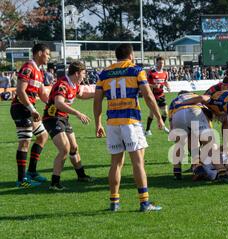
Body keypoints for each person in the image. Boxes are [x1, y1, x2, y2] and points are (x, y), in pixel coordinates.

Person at [94, 44, 165, 212]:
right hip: (131, 121)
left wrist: (97, 123)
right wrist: (158, 117)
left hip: (112, 123)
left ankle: (114, 203)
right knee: (138, 162)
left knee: (115, 163)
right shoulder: (136, 70)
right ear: (131, 55)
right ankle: (144, 202)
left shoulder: (104, 73)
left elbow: (97, 101)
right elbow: (148, 95)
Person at [180, 90, 228, 182]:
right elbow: (225, 125)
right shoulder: (221, 106)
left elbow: (202, 98)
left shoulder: (209, 102)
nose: (216, 120)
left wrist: (181, 104)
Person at [42, 61, 95, 191]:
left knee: (74, 147)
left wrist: (98, 94)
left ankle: (81, 176)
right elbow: (59, 103)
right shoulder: (62, 84)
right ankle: (54, 183)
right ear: (77, 73)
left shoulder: (74, 84)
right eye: (83, 73)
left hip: (63, 118)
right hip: (52, 118)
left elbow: (81, 95)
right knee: (64, 149)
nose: (84, 76)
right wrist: (78, 113)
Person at [10, 43, 51, 188]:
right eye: (47, 53)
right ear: (39, 53)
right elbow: (20, 91)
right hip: (21, 108)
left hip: (28, 109)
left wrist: (53, 104)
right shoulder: (28, 68)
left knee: (43, 136)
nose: (49, 56)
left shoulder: (39, 71)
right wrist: (32, 109)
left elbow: (42, 94)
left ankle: (32, 172)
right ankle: (21, 180)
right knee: (25, 142)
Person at [145, 56, 170, 136]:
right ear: (156, 63)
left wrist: (168, 86)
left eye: (162, 63)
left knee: (165, 112)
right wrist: (154, 86)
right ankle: (147, 130)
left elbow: (165, 82)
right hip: (153, 96)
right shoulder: (151, 73)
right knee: (151, 114)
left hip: (161, 95)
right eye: (160, 63)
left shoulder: (165, 73)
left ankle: (161, 125)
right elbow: (146, 84)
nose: (161, 64)